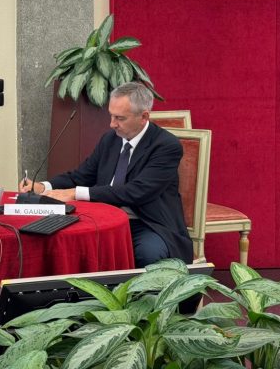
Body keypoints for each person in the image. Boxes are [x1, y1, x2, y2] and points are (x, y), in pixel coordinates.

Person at [20, 82, 192, 266]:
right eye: (111, 115)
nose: (112, 124)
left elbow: (136, 191)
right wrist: (43, 186)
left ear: (144, 117)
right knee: (65, 244)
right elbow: (82, 176)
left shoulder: (165, 146)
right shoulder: (110, 139)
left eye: (120, 118)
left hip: (146, 223)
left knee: (147, 254)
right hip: (103, 219)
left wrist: (76, 193)